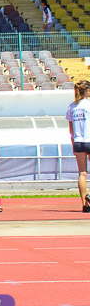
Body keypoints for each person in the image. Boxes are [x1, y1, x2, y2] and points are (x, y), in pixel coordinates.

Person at [65, 79, 90, 213]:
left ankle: (84, 204)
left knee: (82, 173)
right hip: (89, 139)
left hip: (78, 141)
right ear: (87, 91)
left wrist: (73, 142)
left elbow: (71, 129)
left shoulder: (72, 106)